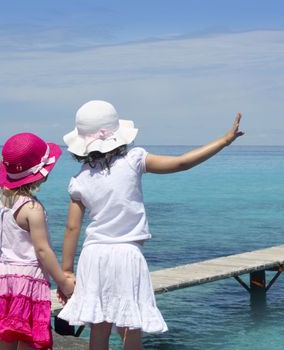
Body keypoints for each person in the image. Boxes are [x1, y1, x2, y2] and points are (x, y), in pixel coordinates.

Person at [57, 100, 244, 350]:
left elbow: (72, 228)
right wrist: (223, 141)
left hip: (94, 256)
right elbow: (181, 163)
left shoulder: (79, 179)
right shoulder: (135, 159)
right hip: (126, 255)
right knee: (131, 327)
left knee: (98, 329)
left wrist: (66, 272)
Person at [0, 132, 76, 350]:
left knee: (8, 337)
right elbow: (42, 250)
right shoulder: (32, 209)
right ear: (41, 173)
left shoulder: (4, 199)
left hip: (4, 278)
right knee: (30, 339)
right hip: (28, 281)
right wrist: (63, 282)